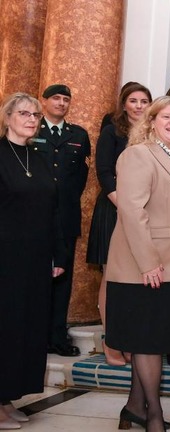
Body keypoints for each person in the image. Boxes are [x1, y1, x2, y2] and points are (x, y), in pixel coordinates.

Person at [106, 96, 170, 432]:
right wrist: (148, 262)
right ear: (152, 120)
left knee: (152, 340)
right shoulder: (138, 154)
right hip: (143, 266)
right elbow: (132, 211)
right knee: (147, 344)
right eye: (167, 116)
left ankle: (134, 407)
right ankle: (154, 416)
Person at [0, 93, 66, 429]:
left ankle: (7, 398)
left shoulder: (39, 159)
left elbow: (52, 211)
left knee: (27, 328)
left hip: (36, 257)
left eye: (36, 115)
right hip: (5, 259)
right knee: (5, 328)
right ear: (7, 116)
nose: (31, 119)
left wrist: (57, 253)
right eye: (23, 113)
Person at [86, 82, 152, 366]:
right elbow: (103, 172)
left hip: (143, 213)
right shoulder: (112, 132)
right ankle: (110, 341)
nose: (139, 106)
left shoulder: (153, 135)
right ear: (124, 104)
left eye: (144, 101)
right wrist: (125, 205)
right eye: (133, 100)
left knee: (135, 280)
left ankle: (126, 339)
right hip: (114, 209)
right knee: (112, 276)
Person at [34, 84, 90, 358]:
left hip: (66, 216)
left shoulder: (78, 134)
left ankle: (57, 336)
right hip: (34, 216)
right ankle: (34, 336)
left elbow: (80, 176)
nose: (61, 103)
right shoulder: (32, 131)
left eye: (66, 99)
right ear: (43, 101)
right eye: (56, 98)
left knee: (62, 278)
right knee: (33, 277)